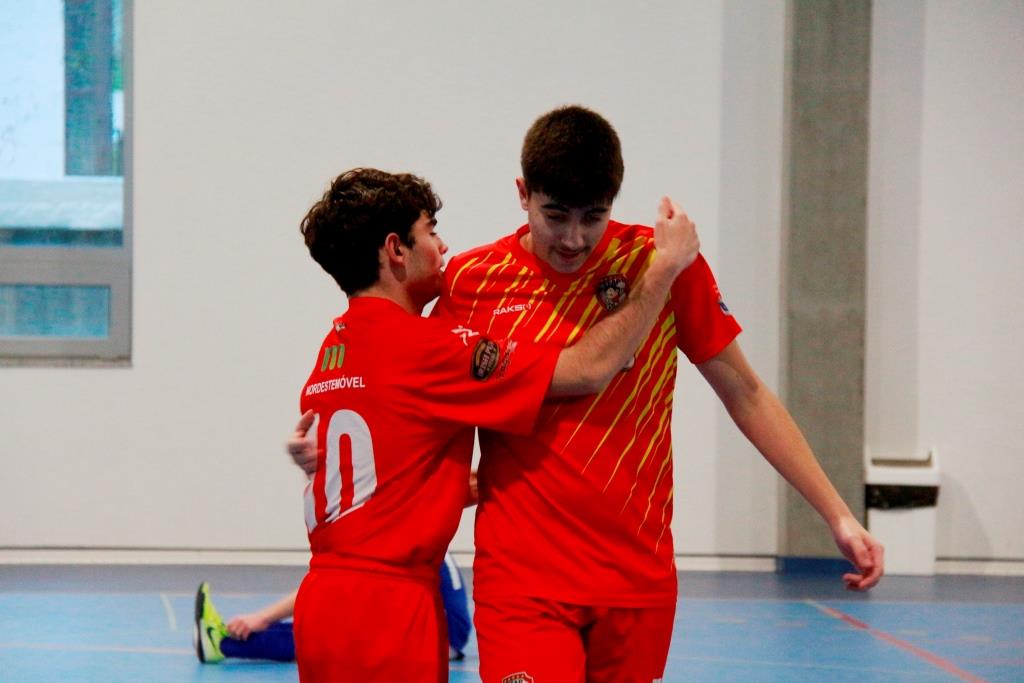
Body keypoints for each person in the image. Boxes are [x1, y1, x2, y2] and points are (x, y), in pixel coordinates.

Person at [287, 106, 885, 683]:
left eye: (592, 217)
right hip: (522, 584)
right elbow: (407, 384)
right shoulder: (470, 282)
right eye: (555, 215)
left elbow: (746, 393)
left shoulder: (661, 264)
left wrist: (837, 514)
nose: (573, 238)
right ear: (523, 194)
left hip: (637, 581)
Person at [274, 167, 699, 682]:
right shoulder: (429, 348)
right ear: (396, 251)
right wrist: (664, 270)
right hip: (390, 606)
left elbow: (393, 480)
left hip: (321, 601)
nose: (444, 245)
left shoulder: (331, 355)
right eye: (430, 231)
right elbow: (588, 369)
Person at [191, 551, 473, 664]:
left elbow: (327, 587)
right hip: (439, 633)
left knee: (324, 636)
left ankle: (220, 644)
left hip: (438, 638)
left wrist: (262, 617)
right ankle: (224, 637)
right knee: (331, 621)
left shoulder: (401, 542)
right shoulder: (420, 535)